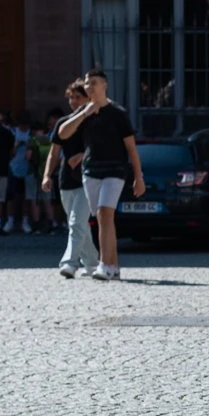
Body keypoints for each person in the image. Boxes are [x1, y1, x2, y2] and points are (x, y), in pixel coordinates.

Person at [56, 70, 144, 279]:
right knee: (102, 218)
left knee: (105, 213)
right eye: (87, 84)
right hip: (91, 171)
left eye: (93, 83)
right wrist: (84, 114)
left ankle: (104, 265)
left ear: (104, 86)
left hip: (115, 169)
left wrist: (138, 177)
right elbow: (63, 133)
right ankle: (113, 266)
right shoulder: (84, 112)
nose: (89, 87)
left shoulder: (117, 113)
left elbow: (131, 148)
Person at [42, 80, 99, 277]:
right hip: (66, 179)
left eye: (78, 97)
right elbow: (54, 152)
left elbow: (104, 147)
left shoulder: (95, 122)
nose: (74, 101)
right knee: (78, 224)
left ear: (88, 99)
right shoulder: (63, 123)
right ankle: (92, 263)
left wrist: (83, 155)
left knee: (76, 222)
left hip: (88, 178)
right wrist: (47, 175)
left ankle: (69, 263)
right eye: (71, 97)